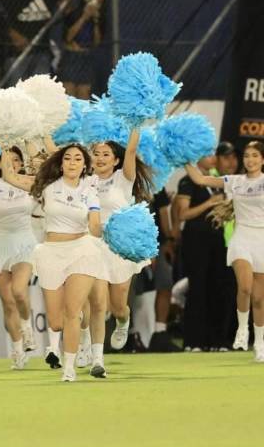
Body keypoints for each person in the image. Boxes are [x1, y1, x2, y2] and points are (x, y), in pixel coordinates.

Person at [1, 144, 105, 382]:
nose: (72, 162)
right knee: (56, 321)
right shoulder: (46, 186)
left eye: (78, 158)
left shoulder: (90, 191)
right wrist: (4, 142)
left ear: (84, 166)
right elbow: (9, 176)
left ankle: (69, 367)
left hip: (81, 250)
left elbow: (95, 226)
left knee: (72, 311)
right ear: (60, 163)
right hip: (50, 252)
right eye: (67, 158)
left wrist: (112, 234)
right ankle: (71, 339)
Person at [184, 140, 264, 362]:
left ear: (262, 159)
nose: (250, 160)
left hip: (262, 239)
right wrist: (184, 158)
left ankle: (259, 342)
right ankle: (241, 330)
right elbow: (200, 179)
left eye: (255, 155)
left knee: (259, 299)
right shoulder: (235, 181)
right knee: (245, 287)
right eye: (247, 155)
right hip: (242, 238)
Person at [85, 130, 153, 377]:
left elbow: (132, 150)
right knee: (97, 304)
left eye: (106, 154)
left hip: (120, 247)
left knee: (117, 306)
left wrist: (135, 122)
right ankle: (96, 358)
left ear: (115, 160)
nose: (100, 158)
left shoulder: (122, 178)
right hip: (93, 246)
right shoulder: (86, 181)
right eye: (96, 154)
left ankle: (124, 321)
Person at [0, 146, 37, 369]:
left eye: (16, 161)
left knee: (19, 291)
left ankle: (27, 326)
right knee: (8, 302)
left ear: (21, 164)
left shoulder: (30, 182)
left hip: (24, 242)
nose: (11, 164)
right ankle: (18, 351)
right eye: (6, 160)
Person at [0, 0, 74, 85]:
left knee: (39, 96)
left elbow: (66, 10)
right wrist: (14, 35)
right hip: (16, 55)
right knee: (18, 98)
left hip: (41, 54)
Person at [175, 155, 227, 351]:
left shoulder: (217, 181)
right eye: (207, 154)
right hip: (195, 240)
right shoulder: (187, 181)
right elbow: (182, 214)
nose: (213, 158)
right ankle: (193, 341)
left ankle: (216, 341)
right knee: (197, 288)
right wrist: (209, 203)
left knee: (217, 288)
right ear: (197, 158)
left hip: (217, 239)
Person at [146, 188, 181, 352]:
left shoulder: (156, 185)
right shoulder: (122, 179)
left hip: (157, 244)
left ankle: (160, 333)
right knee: (126, 290)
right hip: (129, 243)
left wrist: (168, 241)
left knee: (165, 286)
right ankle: (129, 334)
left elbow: (164, 214)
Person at [60, 0, 106, 99]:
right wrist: (84, 17)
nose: (96, 4)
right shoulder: (74, 14)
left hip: (86, 58)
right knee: (69, 95)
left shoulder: (99, 19)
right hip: (71, 57)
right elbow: (68, 37)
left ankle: (83, 116)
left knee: (84, 96)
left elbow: (96, 42)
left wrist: (95, 21)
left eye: (100, 2)